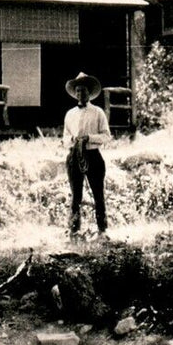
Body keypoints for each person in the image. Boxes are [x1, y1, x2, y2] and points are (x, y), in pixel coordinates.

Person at [63, 71, 113, 238]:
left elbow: (106, 136)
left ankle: (102, 231)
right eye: (78, 90)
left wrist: (89, 138)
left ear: (89, 92)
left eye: (83, 90)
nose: (80, 94)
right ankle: (74, 231)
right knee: (75, 196)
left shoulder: (98, 112)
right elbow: (64, 138)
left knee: (98, 195)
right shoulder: (70, 114)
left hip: (93, 156)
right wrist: (73, 139)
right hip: (74, 156)